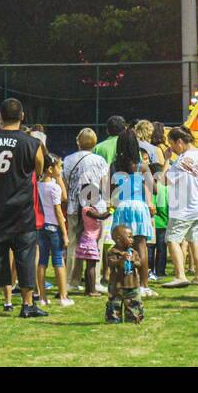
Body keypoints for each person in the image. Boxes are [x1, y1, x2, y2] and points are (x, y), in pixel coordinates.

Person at [0, 98, 48, 319]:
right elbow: (39, 170)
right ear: (22, 117)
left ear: (0, 115)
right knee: (25, 257)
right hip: (22, 210)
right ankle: (27, 305)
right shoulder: (32, 143)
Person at [161, 126, 198, 288]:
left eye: (171, 144)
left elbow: (164, 180)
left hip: (183, 209)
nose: (171, 148)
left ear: (180, 142)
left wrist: (166, 161)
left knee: (172, 239)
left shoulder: (181, 161)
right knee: (195, 240)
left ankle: (180, 276)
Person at [64, 127, 110, 293]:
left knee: (73, 244)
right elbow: (105, 184)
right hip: (95, 206)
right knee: (96, 243)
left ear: (78, 142)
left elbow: (67, 183)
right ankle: (95, 280)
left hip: (74, 204)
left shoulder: (68, 159)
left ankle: (71, 280)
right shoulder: (100, 161)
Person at [111, 129, 156, 293]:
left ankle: (123, 281)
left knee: (121, 246)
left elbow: (111, 190)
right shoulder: (141, 167)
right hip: (139, 206)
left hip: (122, 206)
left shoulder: (115, 166)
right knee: (141, 245)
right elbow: (153, 188)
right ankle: (144, 285)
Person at [36, 157, 73, 307]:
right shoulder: (54, 187)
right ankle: (63, 296)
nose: (61, 170)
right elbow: (59, 209)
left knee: (42, 261)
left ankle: (42, 297)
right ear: (50, 169)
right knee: (58, 261)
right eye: (59, 167)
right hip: (54, 226)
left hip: (41, 226)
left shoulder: (37, 185)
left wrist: (58, 177)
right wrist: (64, 234)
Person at [104, 225, 145, 323]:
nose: (132, 240)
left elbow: (139, 264)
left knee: (134, 302)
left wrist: (134, 261)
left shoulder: (133, 252)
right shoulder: (112, 252)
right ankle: (113, 318)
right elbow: (110, 263)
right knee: (114, 303)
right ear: (118, 240)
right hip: (116, 285)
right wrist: (120, 261)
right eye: (129, 237)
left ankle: (134, 318)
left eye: (132, 237)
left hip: (132, 283)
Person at [149, 163, 169, 279]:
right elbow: (166, 206)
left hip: (151, 222)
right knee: (162, 249)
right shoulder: (165, 189)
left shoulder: (148, 187)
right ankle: (160, 271)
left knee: (150, 248)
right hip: (163, 223)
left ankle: (149, 270)